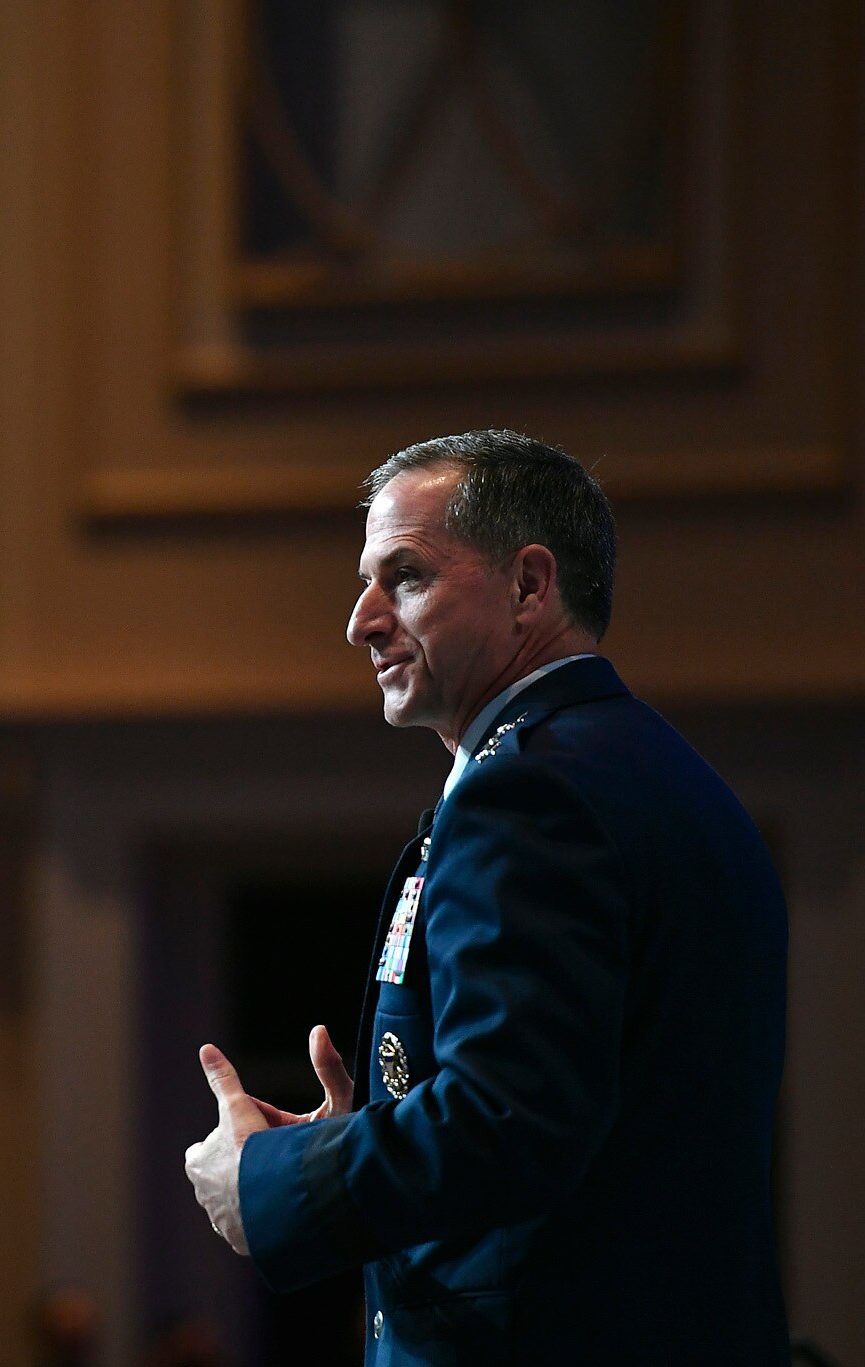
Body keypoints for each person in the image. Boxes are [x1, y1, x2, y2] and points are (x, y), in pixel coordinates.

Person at [183, 431, 789, 1364]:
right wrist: (374, 1134)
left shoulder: (533, 791)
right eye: (365, 580)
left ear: (529, 585)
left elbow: (510, 1117)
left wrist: (275, 1179)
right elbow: (586, 1105)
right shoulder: (658, 775)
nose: (361, 620)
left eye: (406, 576)